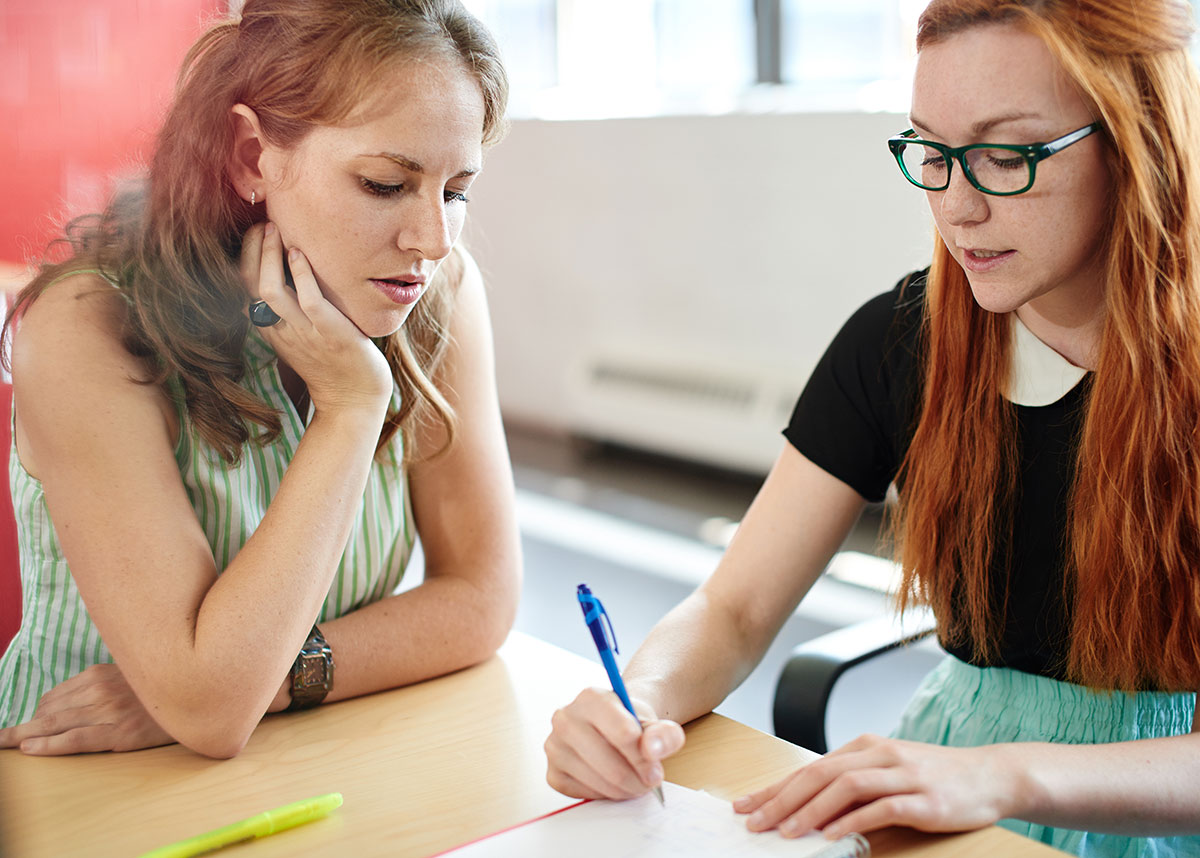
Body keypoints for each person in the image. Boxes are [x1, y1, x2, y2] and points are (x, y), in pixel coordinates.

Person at [544, 1, 1200, 856]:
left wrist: (1003, 774)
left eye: (1004, 156)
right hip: (959, 792)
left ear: (1135, 138)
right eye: (931, 151)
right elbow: (736, 609)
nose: (956, 207)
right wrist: (638, 702)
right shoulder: (902, 341)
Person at [0, 0, 521, 759]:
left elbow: (480, 598)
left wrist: (275, 679)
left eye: (455, 191)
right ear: (251, 155)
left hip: (311, 759)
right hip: (74, 782)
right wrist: (350, 407)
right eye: (384, 184)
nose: (432, 240)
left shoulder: (436, 291)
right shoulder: (86, 327)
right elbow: (212, 714)